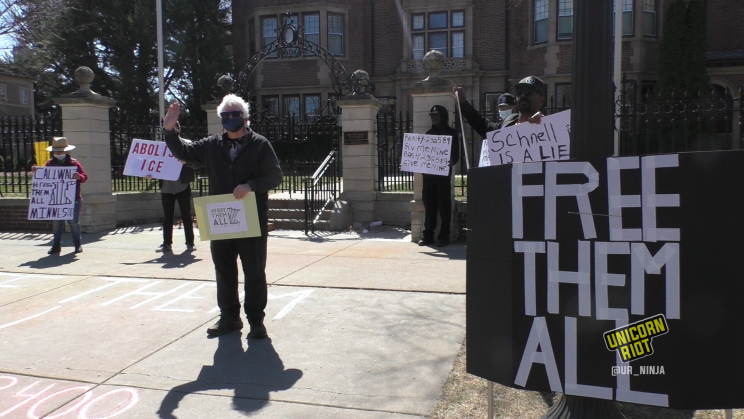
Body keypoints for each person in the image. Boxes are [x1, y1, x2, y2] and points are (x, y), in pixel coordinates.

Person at [163, 94, 282, 339]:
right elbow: (183, 152)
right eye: (225, 115)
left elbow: (275, 176)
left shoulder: (260, 144)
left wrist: (251, 185)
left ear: (245, 117)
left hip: (251, 218)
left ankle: (256, 322)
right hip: (220, 217)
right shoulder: (211, 145)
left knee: (254, 271)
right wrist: (169, 131)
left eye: (235, 114)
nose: (230, 118)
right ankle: (229, 318)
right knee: (224, 270)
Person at [33, 137, 88, 255]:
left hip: (73, 198)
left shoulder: (74, 163)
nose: (58, 153)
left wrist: (80, 177)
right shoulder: (50, 163)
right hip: (56, 198)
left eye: (61, 150)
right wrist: (37, 172)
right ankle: (56, 245)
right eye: (56, 150)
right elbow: (44, 178)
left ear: (65, 151)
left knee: (73, 222)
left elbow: (84, 177)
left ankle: (77, 244)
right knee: (57, 223)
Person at [419, 105, 460, 248]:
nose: (434, 117)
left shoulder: (451, 133)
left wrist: (451, 162)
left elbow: (456, 155)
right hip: (428, 177)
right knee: (429, 207)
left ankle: (444, 235)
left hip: (442, 177)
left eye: (436, 115)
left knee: (444, 207)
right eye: (431, 115)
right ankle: (428, 235)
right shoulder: (429, 133)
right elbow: (422, 155)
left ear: (443, 116)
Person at [453, 75, 547, 137]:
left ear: (541, 100)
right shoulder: (508, 122)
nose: (523, 95)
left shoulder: (548, 128)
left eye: (529, 92)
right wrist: (463, 103)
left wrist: (543, 125)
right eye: (519, 92)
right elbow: (482, 125)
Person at [147, 157, 198, 253]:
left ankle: (190, 243)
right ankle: (167, 244)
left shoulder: (183, 150)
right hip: (166, 189)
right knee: (167, 217)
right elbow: (155, 167)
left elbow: (196, 164)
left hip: (182, 187)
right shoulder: (161, 153)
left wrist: (186, 162)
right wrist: (151, 175)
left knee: (186, 216)